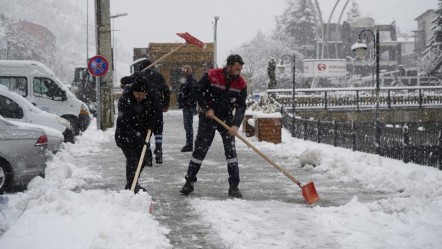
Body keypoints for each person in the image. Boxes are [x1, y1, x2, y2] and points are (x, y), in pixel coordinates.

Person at [180, 54, 247, 198]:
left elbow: (241, 106)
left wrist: (236, 125)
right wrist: (206, 107)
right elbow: (197, 91)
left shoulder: (241, 83)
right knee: (200, 150)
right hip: (208, 118)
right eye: (236, 69)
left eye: (240, 69)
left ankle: (234, 186)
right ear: (228, 66)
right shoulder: (212, 75)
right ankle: (189, 181)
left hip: (227, 120)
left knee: (231, 153)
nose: (238, 72)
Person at [115, 75, 162, 193]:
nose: (141, 97)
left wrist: (152, 124)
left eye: (143, 94)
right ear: (134, 91)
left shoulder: (148, 99)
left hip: (141, 136)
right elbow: (124, 122)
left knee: (145, 160)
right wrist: (137, 137)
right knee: (133, 160)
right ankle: (131, 187)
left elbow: (154, 114)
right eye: (138, 94)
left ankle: (132, 184)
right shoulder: (125, 100)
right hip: (125, 135)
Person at [120, 58, 170, 165]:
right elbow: (165, 90)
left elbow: (124, 80)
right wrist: (165, 104)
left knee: (145, 131)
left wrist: (125, 82)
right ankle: (159, 149)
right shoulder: (158, 76)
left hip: (145, 107)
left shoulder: (139, 75)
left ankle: (147, 155)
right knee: (158, 129)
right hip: (157, 105)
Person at [178, 65, 197, 152]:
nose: (183, 72)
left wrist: (187, 103)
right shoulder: (186, 80)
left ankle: (189, 145)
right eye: (183, 70)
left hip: (189, 106)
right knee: (187, 125)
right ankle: (189, 143)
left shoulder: (191, 81)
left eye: (185, 70)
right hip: (187, 105)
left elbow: (192, 94)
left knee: (188, 125)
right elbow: (182, 92)